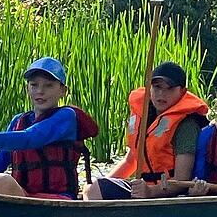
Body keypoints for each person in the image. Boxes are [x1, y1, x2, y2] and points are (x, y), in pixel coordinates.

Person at [0, 57, 99, 199]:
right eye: (34, 85)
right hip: (23, 196)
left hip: (59, 199)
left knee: (0, 181)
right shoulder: (18, 121)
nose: (40, 91)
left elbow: (32, 137)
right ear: (27, 88)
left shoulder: (66, 117)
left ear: (63, 91)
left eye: (49, 85)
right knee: (1, 181)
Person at [83, 61, 209, 199]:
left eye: (169, 88)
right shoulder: (144, 115)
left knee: (96, 189)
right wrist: (101, 183)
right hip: (146, 187)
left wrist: (151, 192)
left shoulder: (186, 125)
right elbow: (131, 161)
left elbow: (182, 180)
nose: (161, 94)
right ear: (149, 88)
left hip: (172, 192)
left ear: (182, 91)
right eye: (157, 87)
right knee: (93, 189)